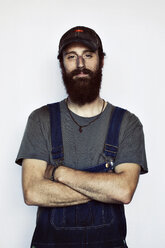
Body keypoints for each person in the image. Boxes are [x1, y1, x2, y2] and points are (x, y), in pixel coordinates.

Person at [16, 26, 148, 248]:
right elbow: (32, 192)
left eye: (88, 55)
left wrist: (58, 172)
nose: (80, 65)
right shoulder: (40, 120)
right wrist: (104, 189)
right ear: (62, 64)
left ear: (101, 61)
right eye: (71, 57)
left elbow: (124, 191)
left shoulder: (127, 123)